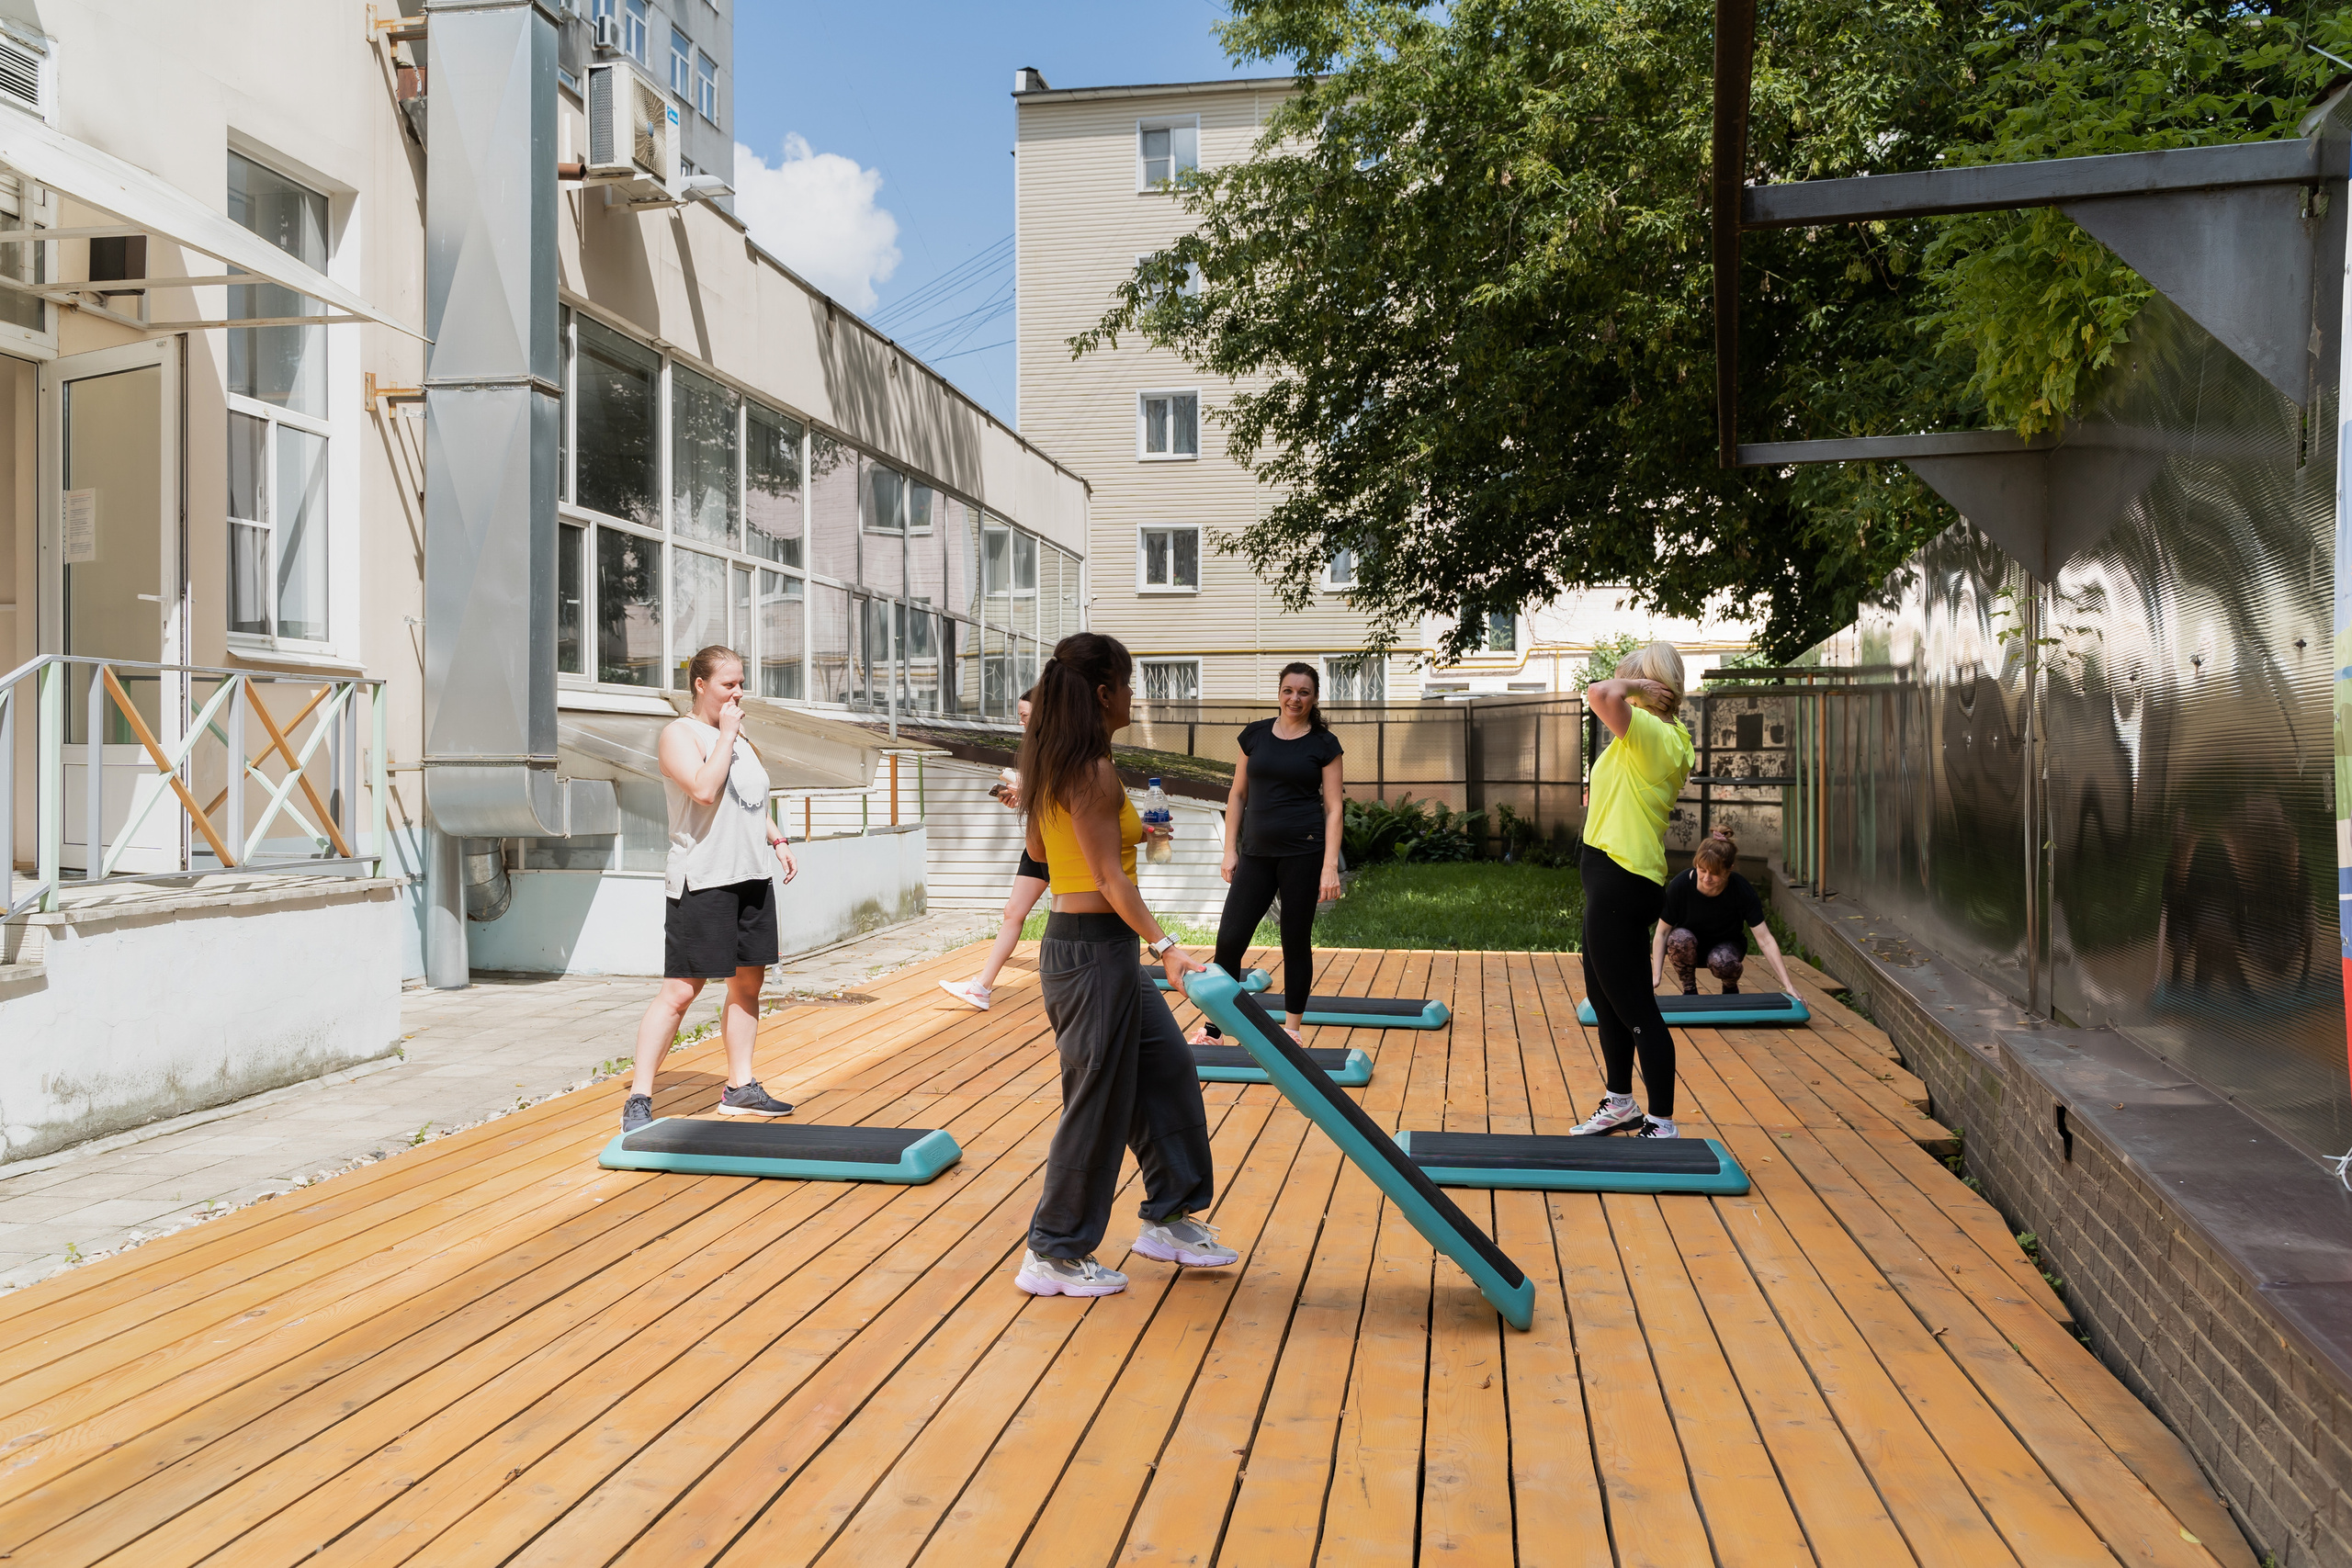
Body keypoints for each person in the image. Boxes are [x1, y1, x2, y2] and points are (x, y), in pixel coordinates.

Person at [1014, 632, 1238, 1298]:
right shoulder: (1088, 768)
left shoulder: (1066, 763)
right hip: (1091, 950)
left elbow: (1039, 847)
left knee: (1167, 1070)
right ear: (1104, 692)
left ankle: (1167, 1216)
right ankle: (1052, 1251)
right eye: (1130, 683)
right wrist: (1167, 947)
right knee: (1098, 1105)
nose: (1134, 695)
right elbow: (1109, 879)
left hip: (1094, 949)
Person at [619, 646, 799, 1134]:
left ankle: (740, 1088)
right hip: (702, 879)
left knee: (748, 983)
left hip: (750, 877)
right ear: (700, 685)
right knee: (681, 990)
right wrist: (725, 735)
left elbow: (749, 800)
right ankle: (639, 1097)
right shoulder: (679, 734)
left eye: (741, 683)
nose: (738, 692)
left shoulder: (738, 736)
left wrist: (777, 839)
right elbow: (703, 788)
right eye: (728, 684)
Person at [1571, 641, 1695, 1139]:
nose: (1624, 685)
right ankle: (1621, 1102)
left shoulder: (1657, 735)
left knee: (1638, 1010)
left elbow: (1598, 694)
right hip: (1610, 881)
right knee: (1606, 1001)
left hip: (1623, 882)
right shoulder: (1644, 738)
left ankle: (1661, 1122)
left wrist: (1630, 688)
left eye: (1634, 678)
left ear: (1651, 685)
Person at [1192, 662, 1345, 1047]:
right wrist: (1229, 850)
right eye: (1289, 690)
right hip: (1256, 853)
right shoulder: (1255, 736)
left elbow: (1334, 808)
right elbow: (1237, 795)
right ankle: (1215, 1029)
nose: (1295, 698)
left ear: (1314, 698)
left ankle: (1292, 1028)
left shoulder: (1324, 744)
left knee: (1294, 939)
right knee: (1229, 940)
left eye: (1304, 692)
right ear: (1279, 692)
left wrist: (1330, 867)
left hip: (1303, 854)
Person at [939, 688, 1046, 1010]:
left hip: (1060, 844)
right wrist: (1018, 796)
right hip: (1037, 842)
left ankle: (1160, 946)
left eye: (1025, 716)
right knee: (1013, 912)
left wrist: (1027, 791)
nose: (1021, 723)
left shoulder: (1059, 748)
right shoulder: (1032, 747)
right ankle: (982, 987)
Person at [1656, 827, 1798, 997]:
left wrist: (1788, 985)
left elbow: (1765, 939)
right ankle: (1689, 989)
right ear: (1696, 864)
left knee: (1721, 961)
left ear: (1729, 869)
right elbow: (1662, 933)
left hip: (1726, 951)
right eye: (1702, 870)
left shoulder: (1741, 890)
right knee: (1678, 938)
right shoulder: (1680, 885)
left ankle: (1730, 987)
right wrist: (1656, 977)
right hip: (1690, 947)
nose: (1707, 878)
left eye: (1715, 874)